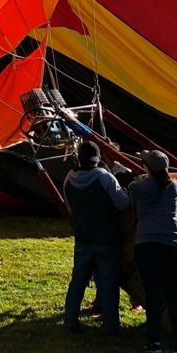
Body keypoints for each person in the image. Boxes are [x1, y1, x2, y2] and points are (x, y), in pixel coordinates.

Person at [62, 141, 131, 335]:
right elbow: (123, 203)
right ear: (98, 158)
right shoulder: (104, 177)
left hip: (83, 237)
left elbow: (70, 208)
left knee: (77, 281)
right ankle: (111, 326)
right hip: (106, 238)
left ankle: (70, 320)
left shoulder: (69, 178)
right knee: (109, 284)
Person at [129, 150, 177, 353]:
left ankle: (153, 341)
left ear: (146, 167)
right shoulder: (175, 186)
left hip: (147, 242)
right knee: (173, 294)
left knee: (152, 294)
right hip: (174, 242)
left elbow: (135, 196)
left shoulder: (136, 187)